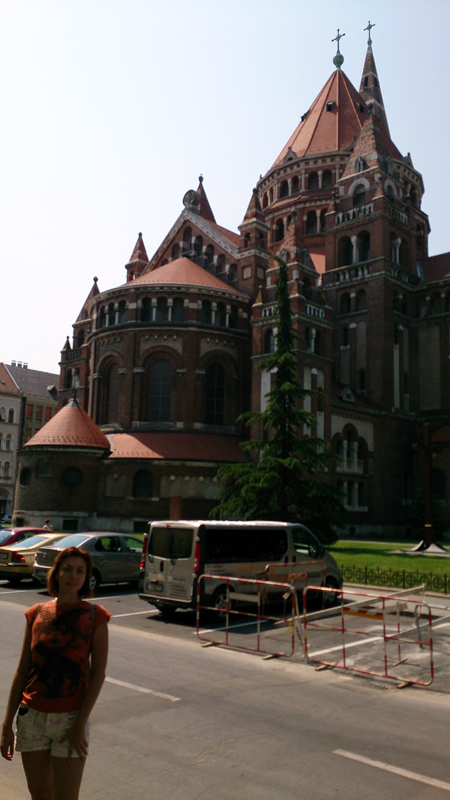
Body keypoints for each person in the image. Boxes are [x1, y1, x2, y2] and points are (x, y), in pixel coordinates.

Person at [0, 547, 110, 800]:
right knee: (39, 794)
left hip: (70, 718)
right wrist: (7, 724)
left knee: (66, 796)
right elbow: (23, 669)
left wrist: (80, 723)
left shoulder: (96, 617)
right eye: (68, 569)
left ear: (86, 577)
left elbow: (98, 674)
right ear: (56, 573)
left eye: (80, 571)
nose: (74, 576)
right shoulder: (36, 613)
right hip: (32, 718)